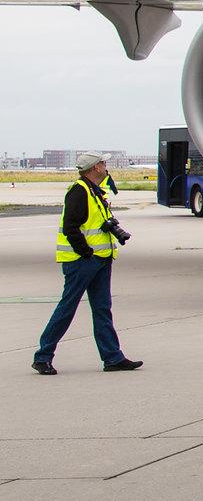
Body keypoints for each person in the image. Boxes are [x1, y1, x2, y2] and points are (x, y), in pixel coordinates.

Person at [32, 152, 142, 375]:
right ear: (94, 168)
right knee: (67, 308)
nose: (105, 166)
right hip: (83, 262)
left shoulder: (94, 192)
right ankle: (42, 356)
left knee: (102, 310)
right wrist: (86, 253)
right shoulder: (79, 192)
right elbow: (71, 226)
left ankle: (112, 357)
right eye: (102, 163)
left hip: (100, 260)